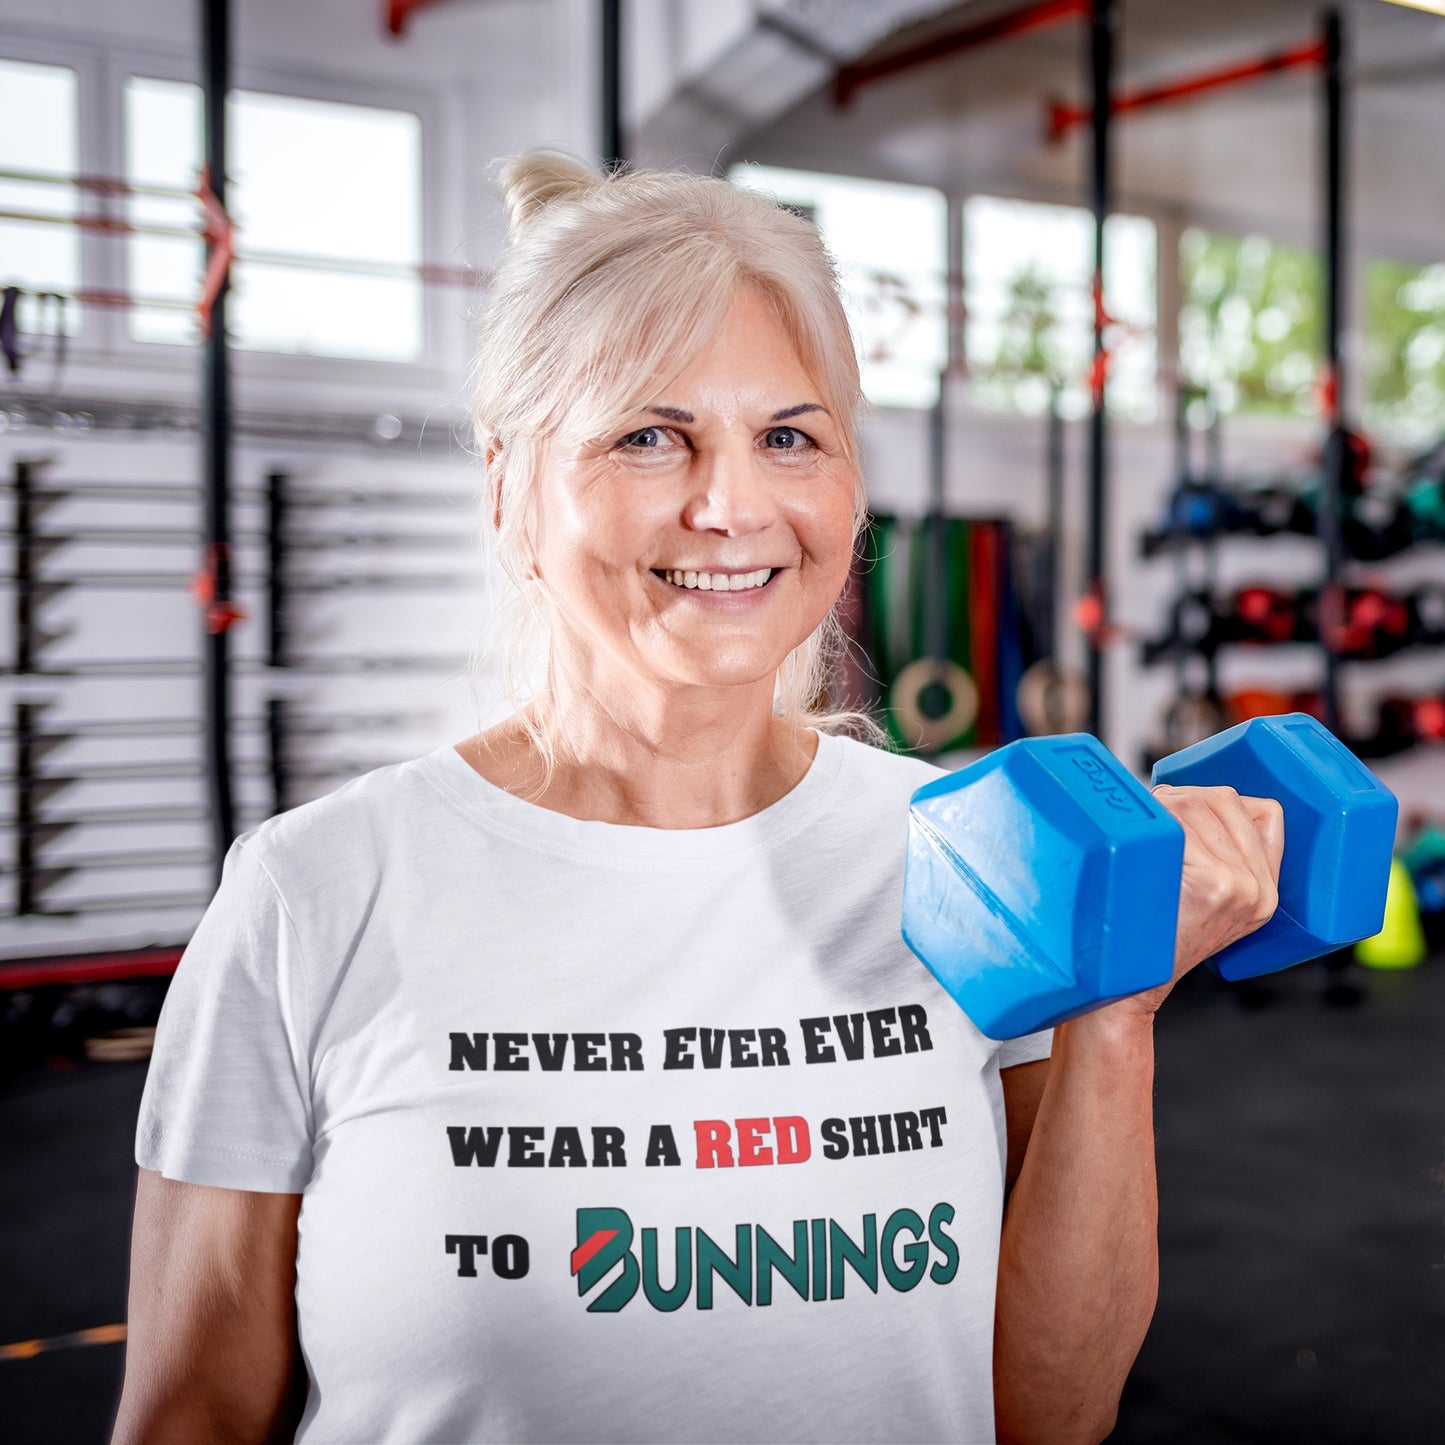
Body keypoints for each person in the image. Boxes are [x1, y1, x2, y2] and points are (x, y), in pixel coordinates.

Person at [111, 153, 1283, 1445]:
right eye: (649, 435)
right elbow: (190, 1417)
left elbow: (1047, 1414)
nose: (731, 506)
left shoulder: (967, 849)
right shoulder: (314, 892)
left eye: (788, 435)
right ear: (507, 488)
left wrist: (1115, 1014)